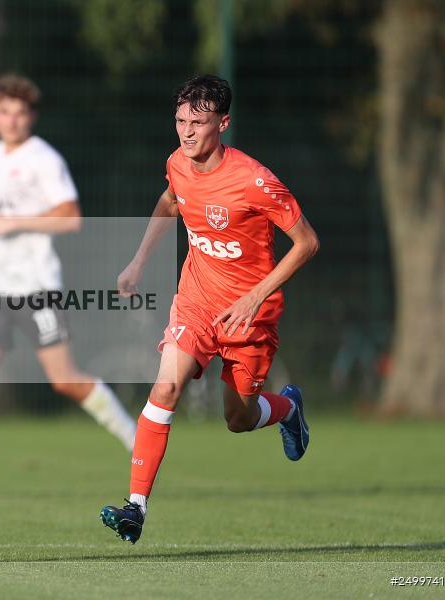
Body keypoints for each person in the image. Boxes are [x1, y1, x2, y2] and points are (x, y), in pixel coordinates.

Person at [99, 75, 319, 543]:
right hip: (196, 303)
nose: (186, 132)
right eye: (180, 121)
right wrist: (139, 261)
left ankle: (287, 409)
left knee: (238, 418)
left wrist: (255, 295)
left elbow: (307, 243)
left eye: (197, 123)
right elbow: (170, 202)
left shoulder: (255, 181)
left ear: (223, 123)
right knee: (165, 387)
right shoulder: (177, 164)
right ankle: (135, 508)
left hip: (250, 315)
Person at [0, 75, 136, 505]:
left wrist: (18, 223)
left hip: (37, 287)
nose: (12, 120)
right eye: (4, 111)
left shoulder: (44, 159)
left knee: (65, 380)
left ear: (31, 117)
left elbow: (71, 217)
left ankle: (139, 444)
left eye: (20, 113)